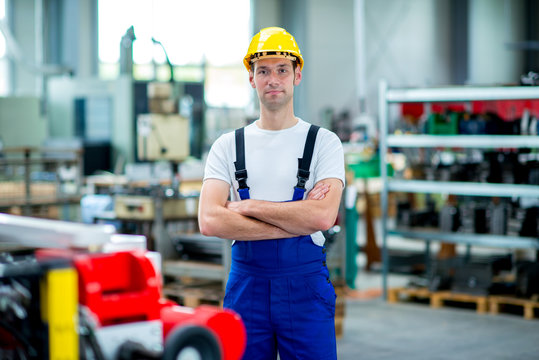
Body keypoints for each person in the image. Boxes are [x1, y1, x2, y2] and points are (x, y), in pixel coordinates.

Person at [198, 27, 345, 360]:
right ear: (251, 78)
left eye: (282, 69)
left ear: (297, 75)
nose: (273, 79)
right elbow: (209, 220)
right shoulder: (228, 146)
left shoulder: (324, 143)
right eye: (263, 71)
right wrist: (295, 220)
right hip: (247, 290)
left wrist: (246, 206)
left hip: (305, 288)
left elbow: (322, 216)